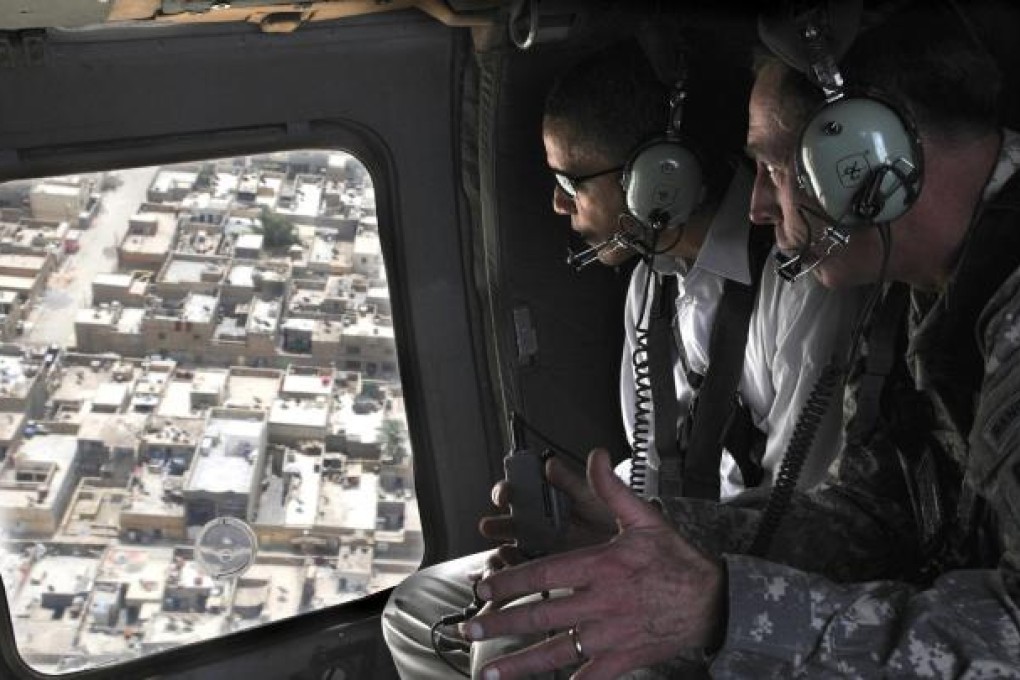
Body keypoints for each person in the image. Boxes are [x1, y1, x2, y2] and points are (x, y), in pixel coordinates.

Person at [459, 3, 1020, 678]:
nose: (755, 207)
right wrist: (654, 533)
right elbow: (872, 518)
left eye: (774, 168)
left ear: (865, 161)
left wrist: (722, 609)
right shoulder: (918, 299)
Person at [383, 35, 863, 679]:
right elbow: (650, 459)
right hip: (667, 537)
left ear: (661, 179)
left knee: (507, 648)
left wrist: (647, 553)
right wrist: (597, 530)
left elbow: (797, 510)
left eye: (570, 180)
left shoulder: (800, 284)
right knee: (415, 607)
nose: (557, 203)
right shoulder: (651, 286)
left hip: (743, 578)